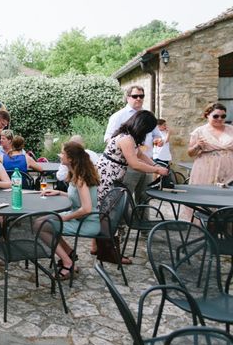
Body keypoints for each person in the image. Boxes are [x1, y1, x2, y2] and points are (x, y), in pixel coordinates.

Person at [95, 110, 169, 259]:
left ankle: (101, 249)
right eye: (148, 130)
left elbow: (140, 155)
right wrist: (156, 170)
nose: (148, 133)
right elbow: (135, 164)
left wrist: (155, 164)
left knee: (107, 212)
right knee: (108, 213)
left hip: (113, 176)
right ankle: (107, 252)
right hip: (107, 177)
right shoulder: (126, 139)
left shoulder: (130, 136)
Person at [41, 142, 101, 280]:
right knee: (43, 220)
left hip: (86, 222)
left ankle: (68, 263)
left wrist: (65, 218)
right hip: (80, 218)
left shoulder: (80, 178)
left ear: (71, 159)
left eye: (63, 153)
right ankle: (69, 253)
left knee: (42, 226)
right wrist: (58, 192)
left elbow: (86, 208)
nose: (60, 156)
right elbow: (78, 198)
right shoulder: (77, 174)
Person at [103, 85, 162, 204]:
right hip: (128, 164)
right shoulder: (118, 116)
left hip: (146, 159)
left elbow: (157, 134)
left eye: (141, 96)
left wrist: (158, 139)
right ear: (128, 97)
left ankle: (141, 221)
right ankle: (124, 222)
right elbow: (108, 138)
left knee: (145, 196)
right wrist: (128, 148)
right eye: (135, 96)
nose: (138, 99)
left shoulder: (147, 115)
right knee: (125, 197)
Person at [188, 102, 233, 185]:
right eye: (215, 116)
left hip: (229, 170)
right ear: (207, 115)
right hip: (206, 169)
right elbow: (190, 153)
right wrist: (197, 145)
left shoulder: (231, 130)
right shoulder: (199, 131)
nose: (219, 119)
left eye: (223, 116)